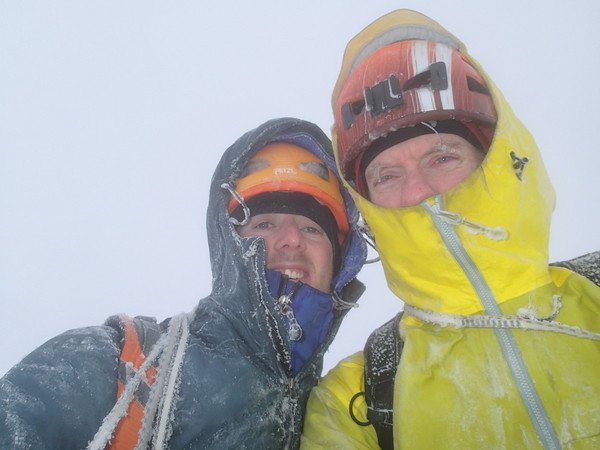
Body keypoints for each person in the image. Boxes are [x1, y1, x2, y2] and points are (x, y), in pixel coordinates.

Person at [302, 9, 600, 449]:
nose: (420, 191)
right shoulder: (356, 400)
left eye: (441, 156)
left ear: (495, 159)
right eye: (386, 176)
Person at [0, 117, 367, 449]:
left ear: (339, 258)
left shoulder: (349, 410)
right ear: (228, 244)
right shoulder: (112, 365)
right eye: (265, 224)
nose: (292, 239)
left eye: (311, 228)